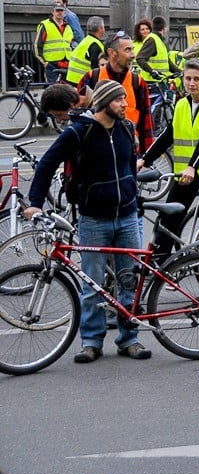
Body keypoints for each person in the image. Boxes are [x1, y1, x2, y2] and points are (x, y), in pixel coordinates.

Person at [25, 80, 150, 363]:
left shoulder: (126, 129)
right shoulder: (78, 132)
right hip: (93, 219)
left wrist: (133, 196)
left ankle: (130, 339)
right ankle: (91, 342)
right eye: (119, 100)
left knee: (127, 281)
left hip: (128, 215)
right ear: (105, 102)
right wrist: (34, 204)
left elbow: (130, 165)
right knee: (92, 285)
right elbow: (46, 165)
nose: (124, 104)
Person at [140, 60, 199, 269]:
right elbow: (168, 135)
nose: (191, 83)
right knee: (169, 216)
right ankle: (161, 264)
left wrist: (193, 166)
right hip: (186, 173)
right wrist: (144, 159)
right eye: (188, 78)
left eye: (196, 79)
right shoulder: (182, 104)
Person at [77, 31, 154, 155]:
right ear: (112, 53)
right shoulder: (92, 77)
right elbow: (78, 118)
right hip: (96, 152)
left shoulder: (137, 82)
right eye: (127, 50)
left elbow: (146, 121)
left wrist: (147, 156)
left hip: (128, 151)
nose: (133, 55)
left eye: (132, 49)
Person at [34, 1, 75, 84]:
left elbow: (71, 46)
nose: (59, 13)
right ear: (53, 12)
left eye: (61, 10)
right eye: (57, 10)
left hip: (66, 64)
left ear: (65, 12)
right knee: (52, 90)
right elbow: (37, 45)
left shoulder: (68, 28)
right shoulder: (45, 25)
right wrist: (45, 63)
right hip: (52, 64)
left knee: (67, 91)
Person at [65, 16, 105, 86]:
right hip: (82, 82)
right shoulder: (95, 45)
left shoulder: (86, 40)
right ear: (100, 29)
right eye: (103, 27)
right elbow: (96, 69)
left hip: (72, 79)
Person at [135, 16, 173, 87]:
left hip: (160, 80)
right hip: (152, 82)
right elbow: (140, 58)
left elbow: (167, 61)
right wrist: (152, 72)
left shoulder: (159, 40)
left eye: (147, 29)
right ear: (164, 28)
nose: (145, 31)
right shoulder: (152, 39)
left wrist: (180, 71)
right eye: (142, 29)